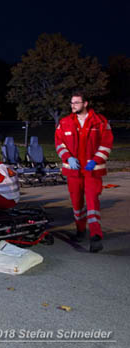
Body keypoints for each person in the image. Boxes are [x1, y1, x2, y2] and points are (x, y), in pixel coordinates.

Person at [55, 91, 113, 253]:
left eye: (77, 103)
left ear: (85, 103)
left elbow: (106, 144)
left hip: (92, 171)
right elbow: (59, 144)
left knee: (92, 203)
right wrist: (68, 158)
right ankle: (80, 230)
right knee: (77, 204)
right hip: (73, 172)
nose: (73, 105)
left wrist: (96, 160)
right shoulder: (65, 122)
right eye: (72, 103)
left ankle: (96, 236)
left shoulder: (100, 122)